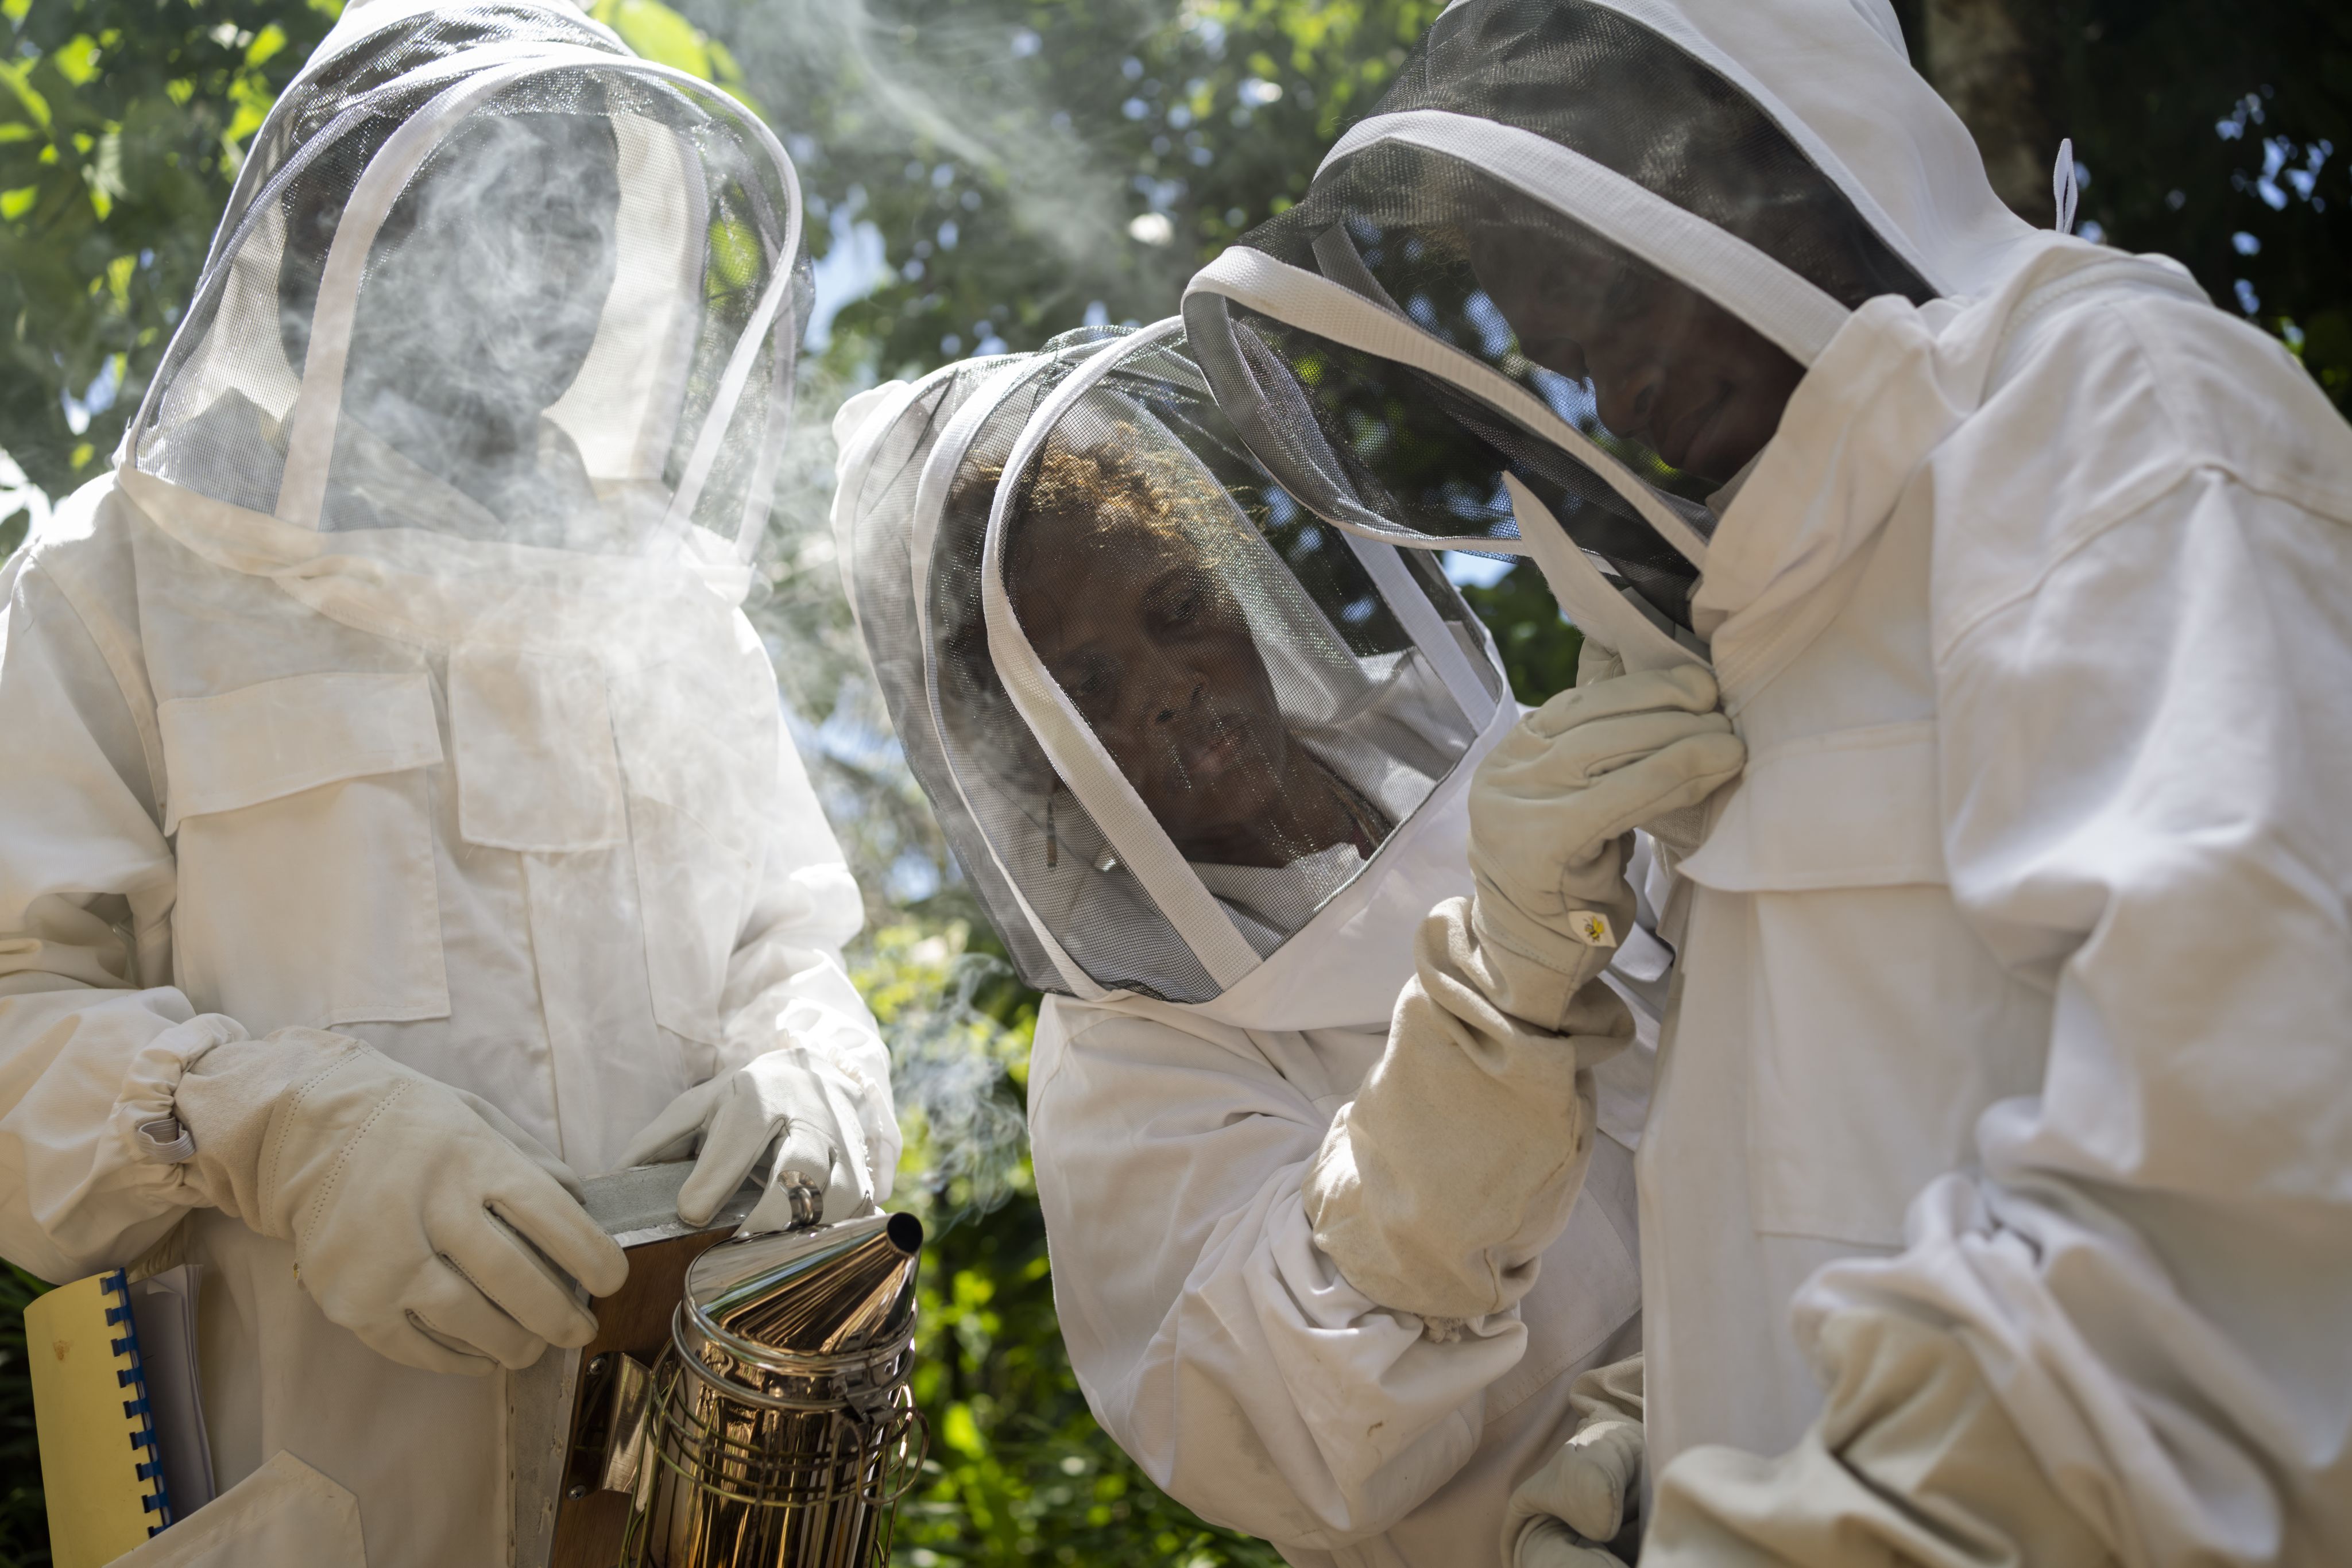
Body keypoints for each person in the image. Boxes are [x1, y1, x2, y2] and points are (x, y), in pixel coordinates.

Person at [1184, 0, 2352, 1562]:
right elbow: (1831, 1175)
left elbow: (2239, 1215)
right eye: (1564, 355)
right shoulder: (1777, 610)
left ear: (1760, 151)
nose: (1610, 402)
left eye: (1608, 305)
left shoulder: (2109, 409)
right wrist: (1650, 1438)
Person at [0, 3, 891, 1562]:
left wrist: (810, 1078)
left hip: (673, 1503)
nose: (538, 251)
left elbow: (793, 955)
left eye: (580, 203)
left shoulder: (677, 614)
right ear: (312, 226)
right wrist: (280, 1127)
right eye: (482, 184)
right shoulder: (121, 579)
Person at [831, 323, 1723, 1567]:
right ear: (1017, 756)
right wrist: (1496, 1015)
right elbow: (1285, 1421)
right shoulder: (1120, 1065)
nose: (1166, 687)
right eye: (1085, 684)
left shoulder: (1479, 765)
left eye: (1177, 609)